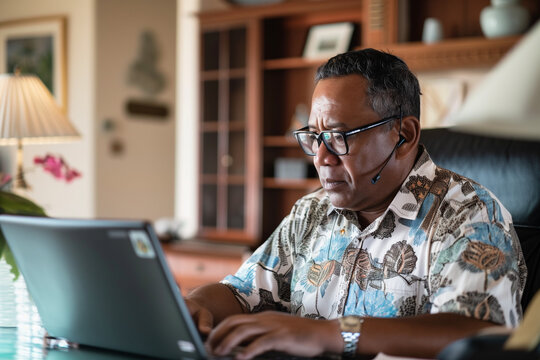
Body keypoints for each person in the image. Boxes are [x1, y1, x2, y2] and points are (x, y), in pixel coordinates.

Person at [185, 49, 527, 359]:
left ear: (403, 135)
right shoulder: (312, 212)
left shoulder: (470, 214)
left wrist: (329, 334)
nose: (320, 157)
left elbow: (478, 334)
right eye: (315, 137)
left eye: (338, 137)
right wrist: (195, 304)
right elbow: (242, 292)